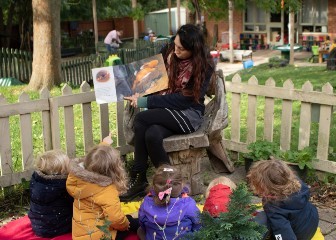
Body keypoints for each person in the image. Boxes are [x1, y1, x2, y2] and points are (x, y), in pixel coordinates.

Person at [121, 23, 215, 202]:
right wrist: (137, 87)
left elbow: (184, 99)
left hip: (188, 114)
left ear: (194, 49)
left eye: (181, 48)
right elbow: (151, 75)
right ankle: (169, 184)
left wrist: (146, 101)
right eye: (176, 44)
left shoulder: (204, 66)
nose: (176, 49)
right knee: (152, 134)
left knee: (141, 119)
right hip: (166, 111)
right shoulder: (170, 51)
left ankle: (138, 176)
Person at [66, 134, 139, 240]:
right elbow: (116, 219)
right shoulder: (106, 190)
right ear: (114, 169)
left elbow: (95, 159)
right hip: (100, 236)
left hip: (80, 235)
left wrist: (104, 144)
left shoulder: (76, 178)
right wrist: (125, 225)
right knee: (130, 221)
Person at [247, 159, 319, 240]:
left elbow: (282, 231)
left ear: (265, 188)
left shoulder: (275, 208)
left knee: (261, 219)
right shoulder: (300, 186)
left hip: (298, 235)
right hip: (310, 225)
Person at [137, 164, 201, 240]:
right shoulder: (188, 204)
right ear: (181, 185)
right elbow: (198, 224)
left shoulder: (146, 202)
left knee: (140, 230)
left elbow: (142, 223)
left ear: (153, 186)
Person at [28, 150, 73, 238]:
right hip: (58, 227)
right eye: (69, 164)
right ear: (62, 170)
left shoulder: (37, 180)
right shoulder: (63, 185)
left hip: (37, 225)